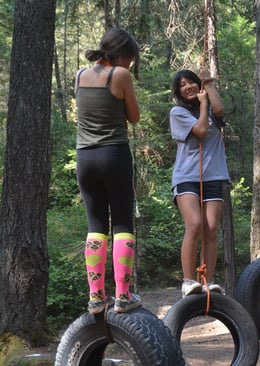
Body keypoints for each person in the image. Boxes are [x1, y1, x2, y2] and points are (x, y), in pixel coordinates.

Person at [74, 28, 141, 314]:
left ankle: (96, 298)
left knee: (96, 226)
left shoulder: (79, 75)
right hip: (113, 154)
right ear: (123, 54)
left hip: (85, 158)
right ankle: (124, 297)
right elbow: (134, 117)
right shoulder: (120, 76)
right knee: (123, 222)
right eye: (131, 59)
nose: (130, 65)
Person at [169, 69, 230, 297]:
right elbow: (202, 131)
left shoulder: (211, 108)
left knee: (211, 228)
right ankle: (188, 281)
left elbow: (220, 109)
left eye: (191, 82)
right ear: (178, 92)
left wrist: (209, 84)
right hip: (187, 177)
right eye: (182, 85)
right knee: (195, 224)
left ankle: (207, 281)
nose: (188, 87)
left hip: (214, 175)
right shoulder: (177, 112)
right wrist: (204, 105)